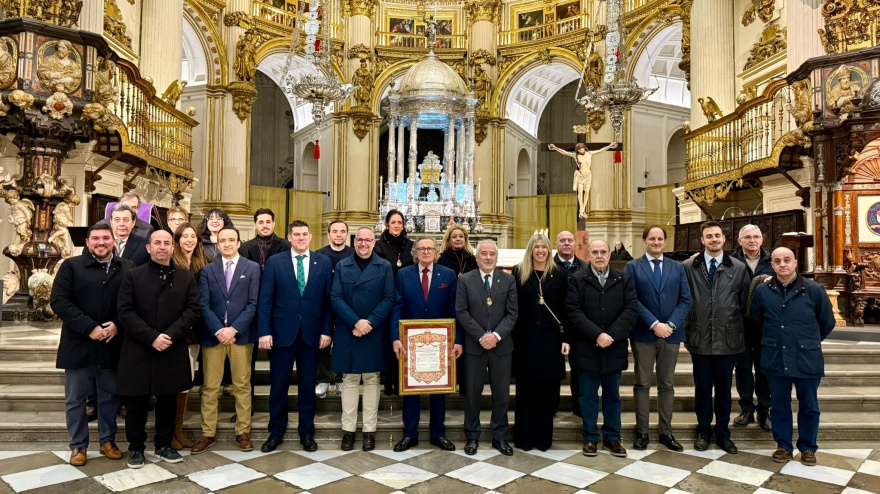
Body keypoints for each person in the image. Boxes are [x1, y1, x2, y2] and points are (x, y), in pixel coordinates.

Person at [116, 230, 201, 469]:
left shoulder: (185, 277)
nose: (162, 247)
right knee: (136, 402)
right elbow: (125, 311)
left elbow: (193, 310)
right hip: (139, 347)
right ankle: (136, 448)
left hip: (171, 347)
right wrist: (152, 337)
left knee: (168, 399)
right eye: (157, 243)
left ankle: (164, 445)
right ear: (148, 248)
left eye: (166, 243)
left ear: (173, 248)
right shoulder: (133, 276)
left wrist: (170, 335)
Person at [50, 223, 132, 466]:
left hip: (112, 344)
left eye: (106, 238)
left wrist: (118, 324)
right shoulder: (71, 266)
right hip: (78, 344)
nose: (101, 242)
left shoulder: (127, 268)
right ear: (87, 242)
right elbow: (59, 302)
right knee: (76, 400)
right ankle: (78, 446)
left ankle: (108, 440)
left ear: (113, 241)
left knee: (109, 397)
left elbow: (133, 303)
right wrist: (90, 328)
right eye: (95, 238)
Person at [750, 247, 835, 467]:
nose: (782, 264)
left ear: (796, 263)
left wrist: (808, 342)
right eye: (777, 261)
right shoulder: (762, 291)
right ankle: (783, 446)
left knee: (809, 405)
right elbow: (757, 323)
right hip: (775, 357)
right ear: (773, 265)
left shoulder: (814, 290)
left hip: (806, 357)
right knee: (779, 405)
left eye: (787, 260)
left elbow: (826, 323)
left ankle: (808, 447)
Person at [259, 220, 333, 453]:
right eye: (296, 235)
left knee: (307, 385)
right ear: (289, 238)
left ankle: (307, 432)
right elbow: (265, 300)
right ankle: (276, 432)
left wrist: (326, 330)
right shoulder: (274, 262)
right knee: (278, 385)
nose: (301, 238)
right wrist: (264, 331)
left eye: (304, 234)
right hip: (281, 334)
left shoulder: (323, 262)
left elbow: (328, 301)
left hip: (312, 334)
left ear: (311, 237)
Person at [682, 220, 750, 454]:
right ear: (702, 240)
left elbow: (744, 304)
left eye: (717, 236)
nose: (713, 239)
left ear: (724, 239)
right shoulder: (688, 266)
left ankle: (722, 433)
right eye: (709, 236)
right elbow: (684, 300)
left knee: (723, 390)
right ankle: (703, 431)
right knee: (702, 389)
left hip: (728, 339)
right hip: (699, 338)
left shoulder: (738, 267)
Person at [192, 227, 261, 454]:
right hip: (214, 337)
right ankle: (207, 434)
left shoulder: (252, 268)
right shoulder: (208, 271)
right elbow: (203, 304)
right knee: (210, 387)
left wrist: (234, 329)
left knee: (242, 386)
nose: (228, 244)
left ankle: (243, 432)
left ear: (239, 242)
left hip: (241, 336)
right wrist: (219, 330)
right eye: (223, 240)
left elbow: (253, 303)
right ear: (217, 243)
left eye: (232, 240)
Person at [566, 239, 637, 458]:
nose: (599, 255)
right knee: (587, 395)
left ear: (609, 255)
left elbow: (631, 311)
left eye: (603, 252)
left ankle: (613, 438)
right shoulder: (577, 279)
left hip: (613, 348)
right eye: (595, 252)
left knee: (612, 396)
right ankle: (590, 437)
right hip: (586, 347)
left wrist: (610, 336)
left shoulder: (623, 279)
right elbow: (573, 311)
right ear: (588, 255)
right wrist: (597, 334)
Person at [390, 237, 461, 452]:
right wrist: (395, 337)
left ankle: (438, 434)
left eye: (430, 248)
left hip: (440, 344)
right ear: (415, 252)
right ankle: (409, 435)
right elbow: (397, 307)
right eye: (422, 248)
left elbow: (454, 310)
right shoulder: (403, 275)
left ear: (437, 251)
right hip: (412, 343)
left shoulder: (448, 275)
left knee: (438, 388)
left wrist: (457, 340)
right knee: (410, 388)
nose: (426, 252)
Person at [624, 225, 692, 451]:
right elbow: (632, 299)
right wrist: (654, 324)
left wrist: (670, 324)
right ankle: (642, 432)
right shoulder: (632, 267)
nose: (656, 242)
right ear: (644, 241)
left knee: (667, 384)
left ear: (665, 242)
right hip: (644, 333)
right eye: (651, 238)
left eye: (660, 239)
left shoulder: (677, 267)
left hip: (671, 334)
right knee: (642, 383)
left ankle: (666, 432)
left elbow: (686, 300)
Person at [331, 227, 396, 451]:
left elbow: (389, 298)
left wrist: (369, 323)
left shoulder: (384, 266)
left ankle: (369, 430)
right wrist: (355, 322)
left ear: (374, 242)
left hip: (373, 331)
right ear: (354, 241)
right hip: (349, 329)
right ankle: (348, 430)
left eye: (368, 240)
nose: (364, 244)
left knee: (371, 380)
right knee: (349, 380)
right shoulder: (342, 265)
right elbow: (336, 297)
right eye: (360, 240)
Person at [456, 239, 518, 456]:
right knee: (473, 394)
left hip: (502, 347)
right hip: (475, 346)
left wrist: (497, 336)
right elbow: (461, 312)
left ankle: (500, 437)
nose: (488, 257)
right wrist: (482, 336)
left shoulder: (508, 280)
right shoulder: (464, 280)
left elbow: (513, 313)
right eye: (484, 253)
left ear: (497, 257)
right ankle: (472, 436)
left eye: (492, 253)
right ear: (477, 256)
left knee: (501, 395)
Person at [512, 234, 568, 451]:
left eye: (544, 247)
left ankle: (544, 439)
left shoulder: (560, 274)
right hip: (525, 340)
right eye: (536, 247)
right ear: (530, 250)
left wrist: (566, 339)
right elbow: (514, 306)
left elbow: (566, 309)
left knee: (547, 392)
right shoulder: (519, 272)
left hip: (552, 340)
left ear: (549, 250)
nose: (540, 251)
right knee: (525, 392)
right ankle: (524, 438)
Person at [167, 223, 208, 450]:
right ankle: (169, 430)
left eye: (193, 236)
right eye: (185, 236)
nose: (189, 240)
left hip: (195, 332)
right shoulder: (171, 264)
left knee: (185, 383)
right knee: (173, 382)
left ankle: (177, 429)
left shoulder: (204, 264)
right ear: (177, 240)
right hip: (175, 330)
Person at [731, 224, 774, 432]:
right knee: (743, 370)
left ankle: (765, 410)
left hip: (766, 326)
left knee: (765, 370)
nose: (752, 240)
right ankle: (746, 409)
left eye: (756, 236)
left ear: (762, 240)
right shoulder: (731, 261)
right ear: (740, 241)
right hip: (739, 326)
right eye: (747, 237)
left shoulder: (773, 260)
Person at [373, 210, 414, 396]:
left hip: (407, 299)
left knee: (405, 341)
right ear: (387, 224)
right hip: (386, 297)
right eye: (393, 222)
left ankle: (402, 381)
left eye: (399, 222)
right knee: (388, 341)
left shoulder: (411, 246)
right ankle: (388, 382)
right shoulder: (378, 246)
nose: (396, 225)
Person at [315, 220, 354, 398]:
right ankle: (322, 379)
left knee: (343, 344)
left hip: (347, 307)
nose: (339, 234)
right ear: (329, 234)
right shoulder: (318, 255)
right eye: (335, 231)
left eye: (342, 231)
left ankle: (339, 379)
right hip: (323, 306)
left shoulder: (354, 255)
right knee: (322, 343)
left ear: (347, 234)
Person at [554, 230, 586, 417]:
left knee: (579, 369)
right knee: (552, 369)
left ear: (575, 244)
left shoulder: (584, 267)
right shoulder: (548, 266)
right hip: (553, 326)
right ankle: (551, 407)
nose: (566, 243)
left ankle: (579, 408)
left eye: (570, 240)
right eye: (562, 240)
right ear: (556, 244)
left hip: (578, 327)